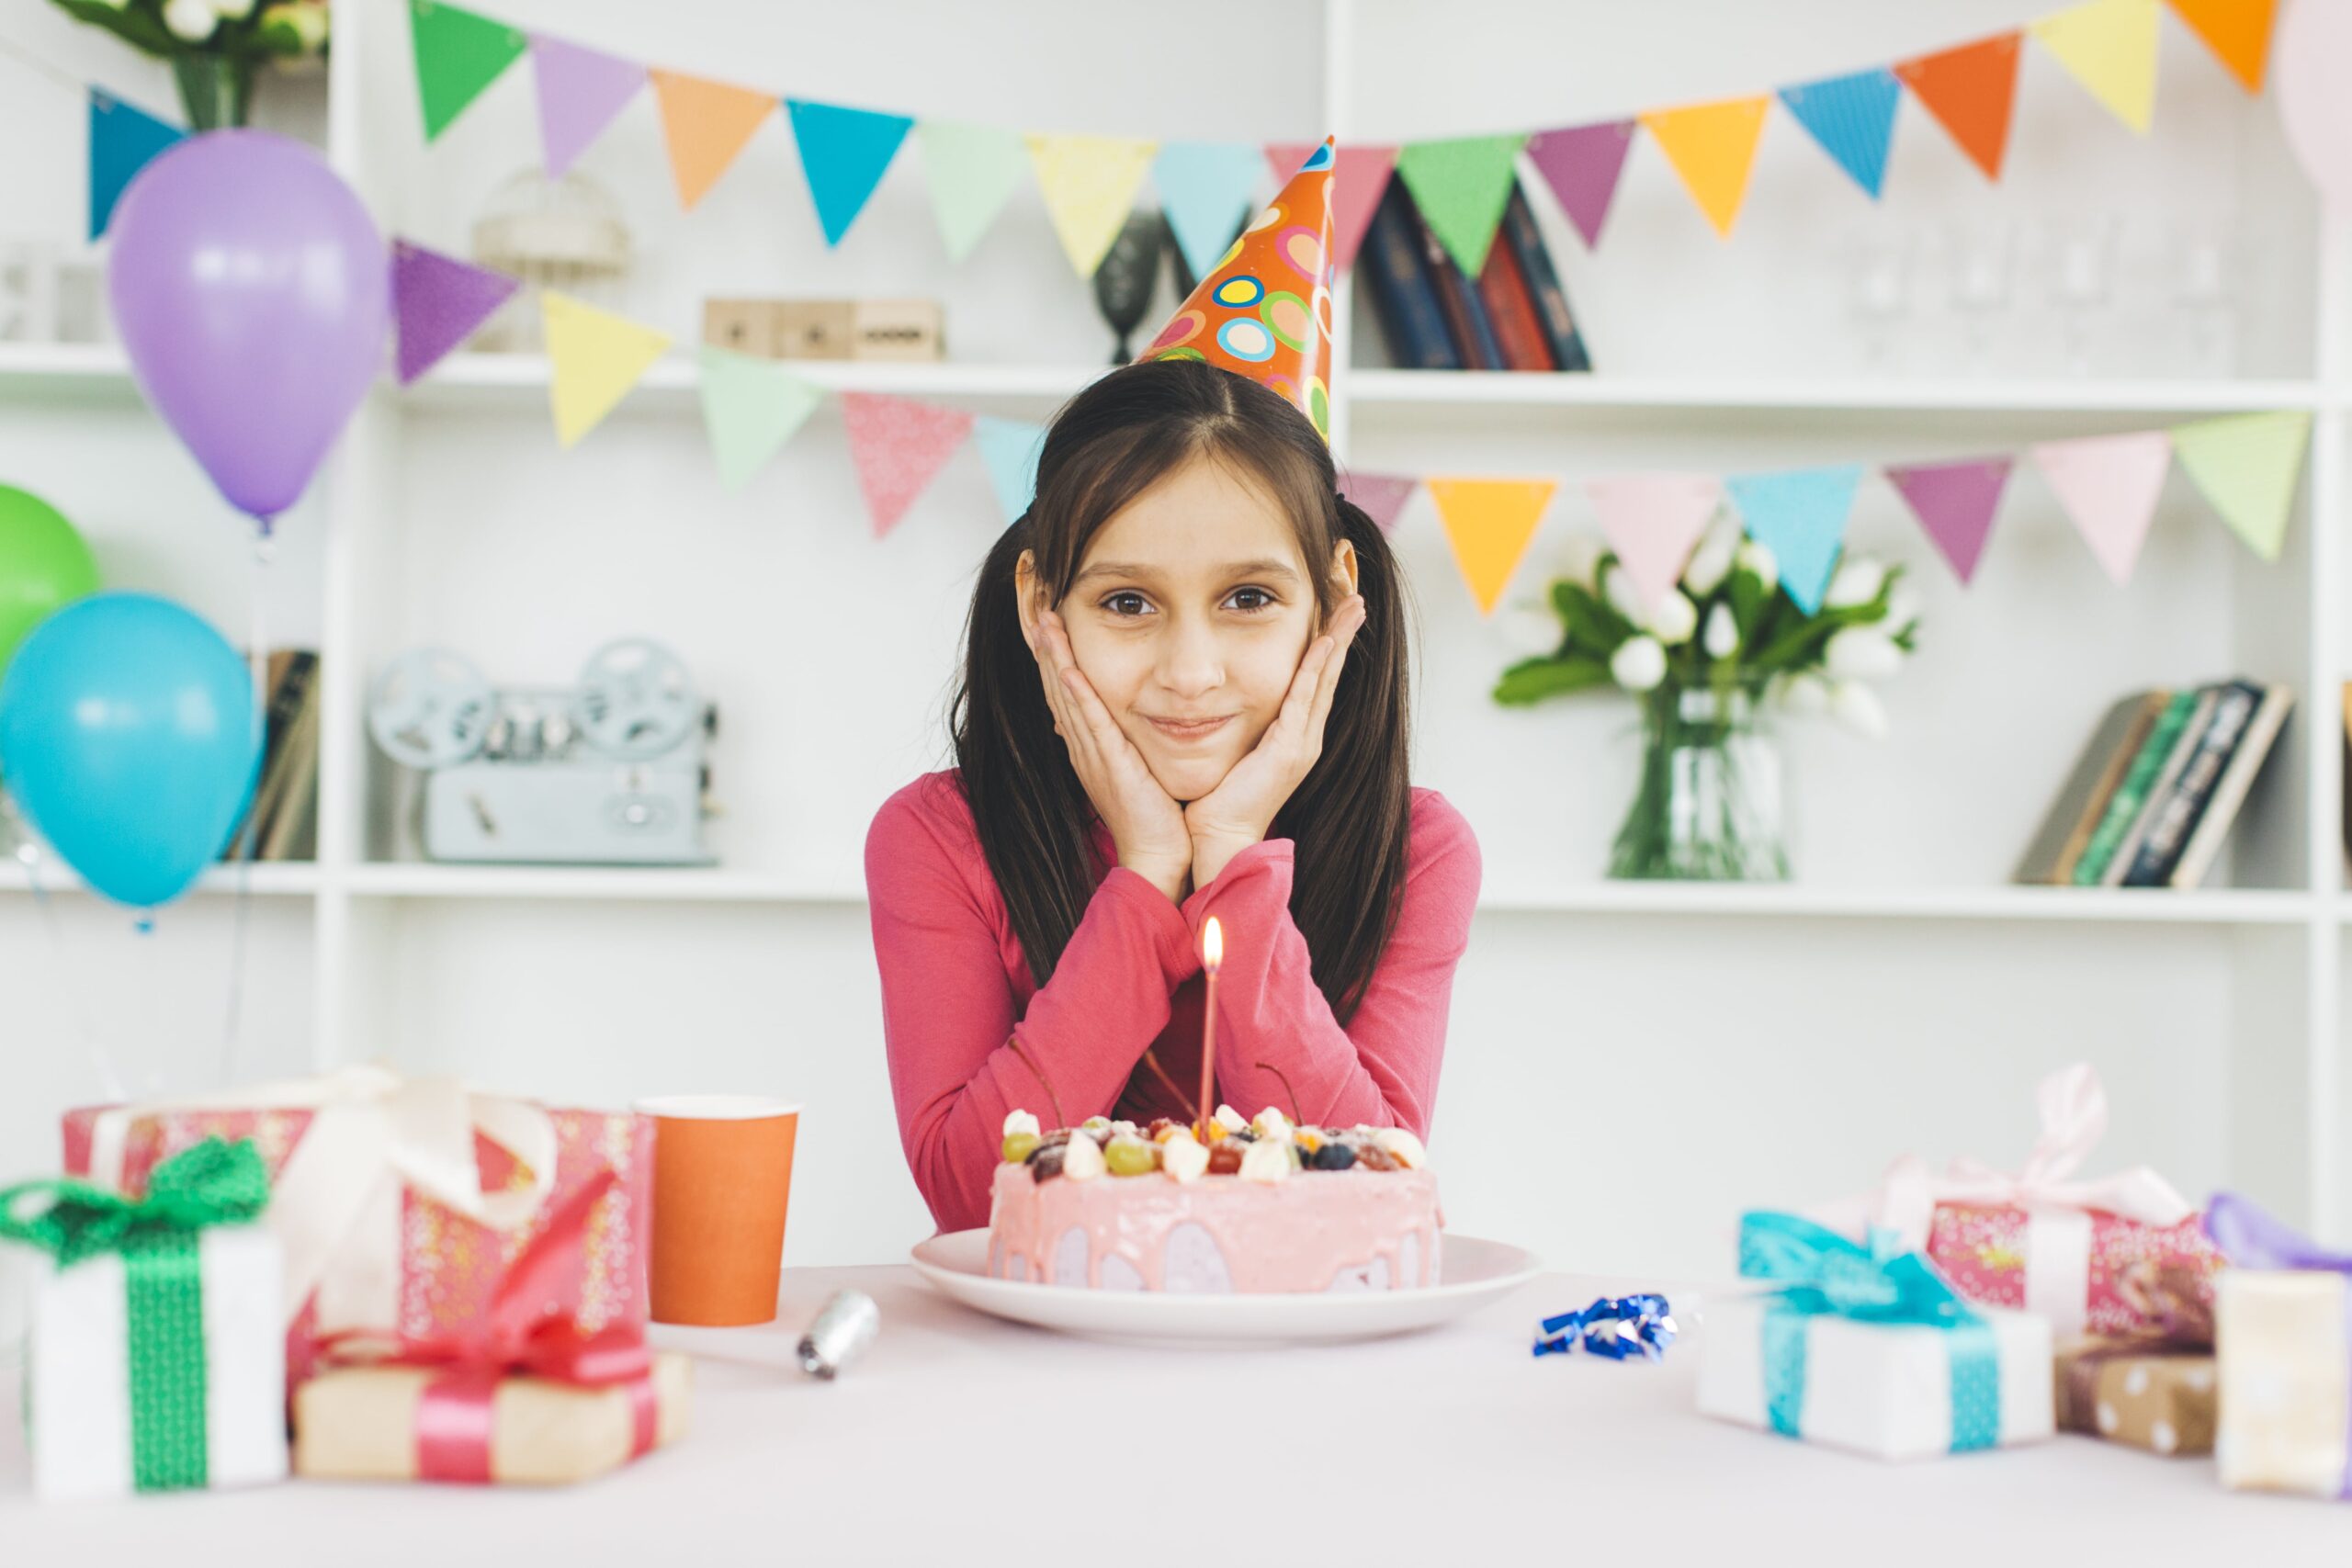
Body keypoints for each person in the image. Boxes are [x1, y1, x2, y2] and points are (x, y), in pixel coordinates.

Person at [864, 141, 1480, 1234]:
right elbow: (968, 1197)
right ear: (1037, 605)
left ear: (1336, 597)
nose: (1190, 675)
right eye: (1126, 604)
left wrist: (1237, 863)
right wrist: (1145, 879)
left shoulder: (1418, 849)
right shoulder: (938, 840)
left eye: (1248, 599)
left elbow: (1379, 1193)